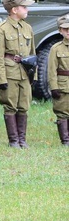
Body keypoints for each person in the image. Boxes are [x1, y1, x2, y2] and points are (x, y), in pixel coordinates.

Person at [0, 0, 36, 148]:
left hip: (25, 73)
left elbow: (33, 54)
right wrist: (1, 79)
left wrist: (34, 76)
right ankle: (13, 140)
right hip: (9, 72)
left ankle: (22, 140)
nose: (27, 10)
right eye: (24, 7)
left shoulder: (28, 28)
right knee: (10, 105)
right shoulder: (2, 29)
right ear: (14, 9)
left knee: (24, 105)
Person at [47, 14, 69, 146]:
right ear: (60, 30)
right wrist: (54, 87)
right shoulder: (56, 48)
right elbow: (51, 70)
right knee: (62, 112)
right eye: (65, 29)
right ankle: (65, 140)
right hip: (63, 86)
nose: (68, 31)